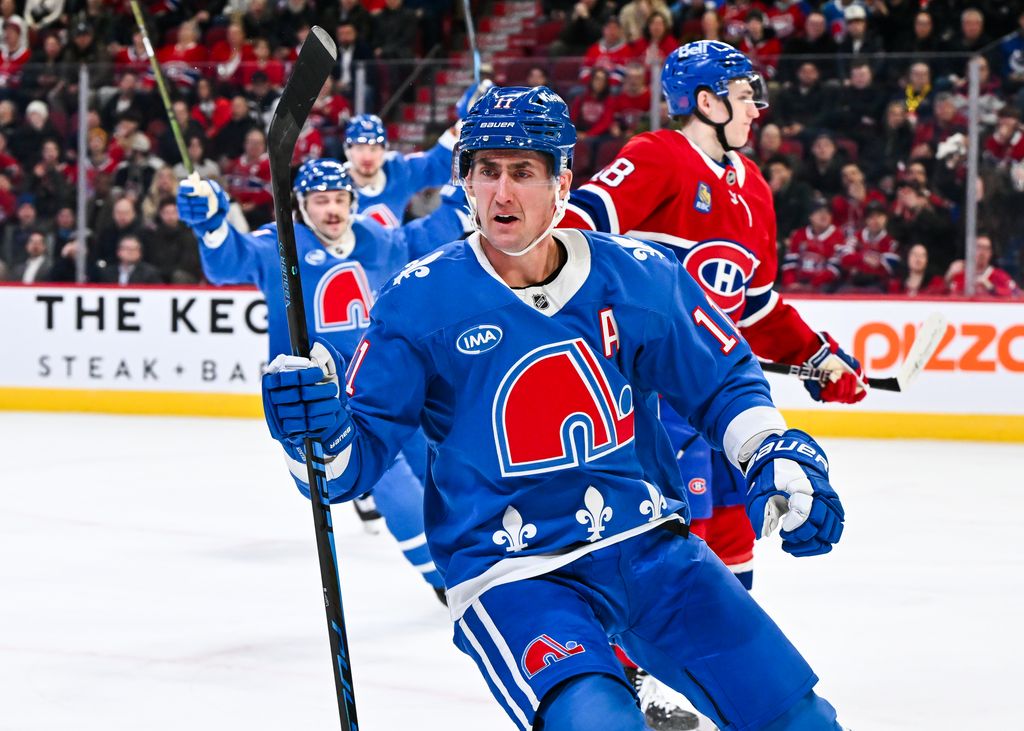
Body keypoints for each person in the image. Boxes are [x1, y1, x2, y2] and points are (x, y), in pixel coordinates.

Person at [259, 85, 847, 731]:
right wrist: (314, 434)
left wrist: (767, 446)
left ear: (563, 180)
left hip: (651, 544)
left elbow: (721, 380)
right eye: (486, 170)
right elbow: (353, 464)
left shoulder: (639, 275)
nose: (501, 193)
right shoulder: (415, 302)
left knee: (801, 720)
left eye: (523, 172)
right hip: (514, 570)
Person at [561, 42, 868, 725]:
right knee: (656, 542)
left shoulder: (754, 187)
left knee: (733, 533)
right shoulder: (658, 154)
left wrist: (817, 355)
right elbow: (573, 234)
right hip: (644, 398)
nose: (757, 107)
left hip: (717, 393)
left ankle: (719, 677)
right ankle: (627, 681)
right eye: (743, 93)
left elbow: (753, 306)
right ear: (706, 99)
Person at [176, 158, 472, 602]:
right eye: (320, 201)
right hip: (330, 401)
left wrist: (467, 192)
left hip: (392, 383)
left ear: (353, 201)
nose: (331, 210)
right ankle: (442, 581)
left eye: (339, 199)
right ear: (301, 205)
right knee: (394, 484)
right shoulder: (281, 246)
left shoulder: (377, 238)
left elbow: (424, 237)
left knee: (436, 472)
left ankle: (458, 562)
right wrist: (213, 225)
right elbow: (228, 263)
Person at [341, 82, 488, 228]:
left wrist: (464, 125)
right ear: (347, 150)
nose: (367, 156)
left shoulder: (397, 171)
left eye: (373, 149)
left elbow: (437, 164)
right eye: (360, 148)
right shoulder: (332, 186)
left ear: (384, 149)